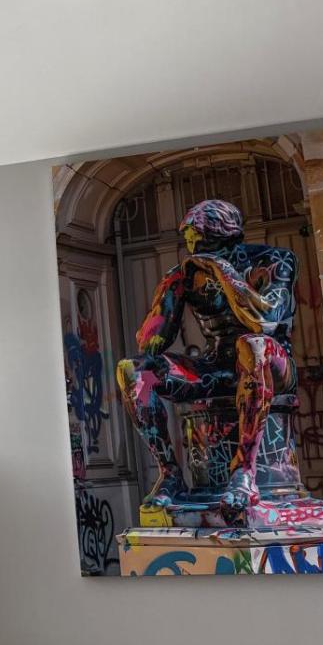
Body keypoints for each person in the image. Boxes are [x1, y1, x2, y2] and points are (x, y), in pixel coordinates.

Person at [115, 198, 297, 514]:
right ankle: (170, 474)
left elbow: (266, 324)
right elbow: (149, 344)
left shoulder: (274, 261)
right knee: (134, 370)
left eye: (200, 241)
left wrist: (223, 272)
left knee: (252, 345)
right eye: (190, 241)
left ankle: (244, 472)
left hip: (273, 363)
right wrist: (170, 289)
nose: (193, 249)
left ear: (226, 237)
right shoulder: (187, 275)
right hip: (219, 364)